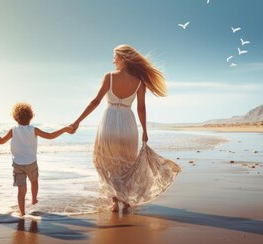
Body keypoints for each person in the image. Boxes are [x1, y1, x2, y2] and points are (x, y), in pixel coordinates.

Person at [70, 44, 181, 212]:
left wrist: (77, 121)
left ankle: (115, 201)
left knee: (106, 162)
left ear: (122, 59)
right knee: (127, 163)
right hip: (128, 124)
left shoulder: (109, 77)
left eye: (115, 57)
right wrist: (144, 130)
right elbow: (141, 108)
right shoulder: (139, 82)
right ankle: (126, 199)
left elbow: (95, 101)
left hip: (109, 123)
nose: (113, 60)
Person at [0, 102, 73, 216]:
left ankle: (22, 212)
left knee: (21, 189)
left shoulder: (13, 130)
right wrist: (65, 129)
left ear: (15, 117)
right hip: (31, 162)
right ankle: (34, 198)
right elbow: (50, 136)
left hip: (17, 164)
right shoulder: (33, 129)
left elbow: (1, 141)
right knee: (34, 182)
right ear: (31, 116)